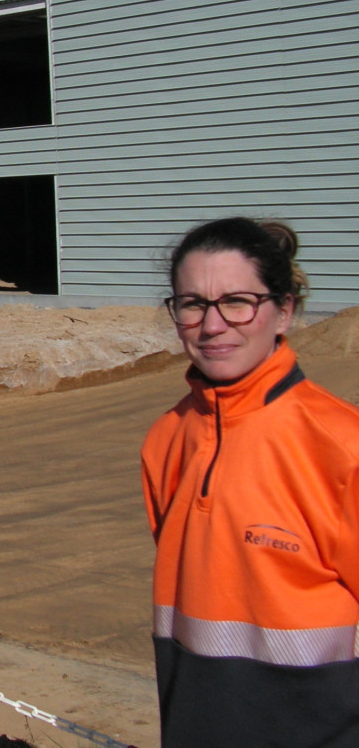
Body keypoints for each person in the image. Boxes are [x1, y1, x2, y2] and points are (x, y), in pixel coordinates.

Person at [141, 217, 359, 748]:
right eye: (192, 304)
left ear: (283, 311)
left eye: (237, 301)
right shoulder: (166, 440)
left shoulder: (339, 446)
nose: (213, 325)